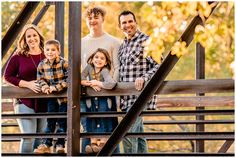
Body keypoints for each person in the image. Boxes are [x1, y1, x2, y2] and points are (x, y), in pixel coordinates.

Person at [118, 10, 161, 153]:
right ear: (120, 26)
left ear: (136, 22)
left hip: (141, 97)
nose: (127, 25)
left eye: (130, 21)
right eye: (124, 22)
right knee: (139, 136)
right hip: (127, 99)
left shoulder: (146, 41)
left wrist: (144, 78)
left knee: (127, 133)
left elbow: (160, 65)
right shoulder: (123, 46)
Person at [81, 6, 121, 153]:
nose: (92, 20)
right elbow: (79, 70)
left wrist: (109, 88)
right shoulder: (81, 42)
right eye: (89, 18)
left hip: (107, 94)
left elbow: (116, 67)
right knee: (87, 129)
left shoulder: (114, 42)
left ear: (103, 19)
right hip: (87, 95)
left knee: (109, 130)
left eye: (96, 17)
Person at [4, 24, 47, 153]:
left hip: (45, 101)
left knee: (40, 139)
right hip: (24, 101)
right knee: (28, 136)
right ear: (24, 39)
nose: (32, 38)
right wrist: (27, 84)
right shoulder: (18, 56)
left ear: (39, 37)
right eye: (29, 36)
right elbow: (7, 77)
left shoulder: (48, 54)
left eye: (35, 35)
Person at [33, 39, 68, 154]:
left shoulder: (64, 63)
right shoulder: (42, 64)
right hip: (51, 99)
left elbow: (70, 78)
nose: (50, 52)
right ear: (44, 51)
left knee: (62, 121)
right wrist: (44, 87)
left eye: (53, 50)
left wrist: (57, 87)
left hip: (64, 99)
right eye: (47, 50)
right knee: (50, 120)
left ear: (58, 51)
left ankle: (60, 144)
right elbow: (40, 79)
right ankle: (47, 144)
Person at [81, 48, 117, 153]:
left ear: (106, 62)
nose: (99, 60)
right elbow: (80, 78)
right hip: (91, 100)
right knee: (92, 117)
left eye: (102, 58)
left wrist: (98, 83)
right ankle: (92, 142)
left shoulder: (104, 71)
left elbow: (111, 84)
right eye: (96, 57)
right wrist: (90, 84)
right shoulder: (89, 67)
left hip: (104, 99)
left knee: (104, 117)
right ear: (92, 59)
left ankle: (103, 142)